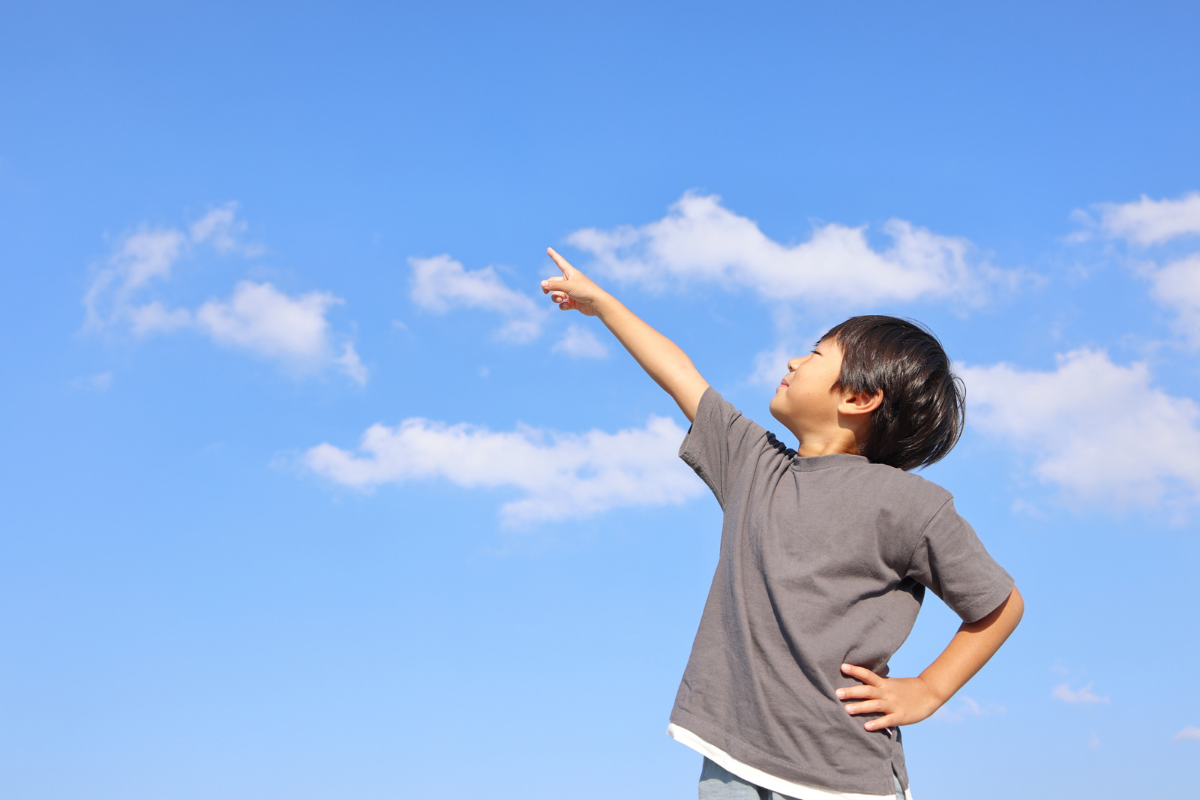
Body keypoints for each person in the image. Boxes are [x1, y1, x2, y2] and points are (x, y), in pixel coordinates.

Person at [540, 247, 1024, 800]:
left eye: (815, 354)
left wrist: (929, 690)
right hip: (733, 761)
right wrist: (601, 303)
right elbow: (679, 374)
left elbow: (999, 604)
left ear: (860, 397)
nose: (793, 362)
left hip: (844, 776)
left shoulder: (911, 504)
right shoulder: (753, 464)